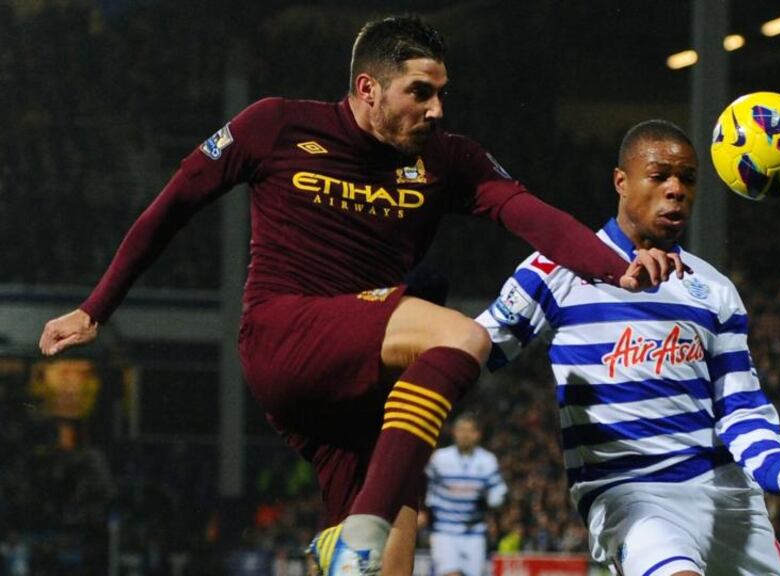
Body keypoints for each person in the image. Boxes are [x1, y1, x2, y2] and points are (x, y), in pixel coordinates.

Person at [36, 16, 684, 576]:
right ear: (369, 88)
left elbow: (527, 212)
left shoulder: (448, 159)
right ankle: (360, 527)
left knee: (390, 557)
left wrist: (613, 265)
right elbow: (172, 205)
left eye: (442, 94)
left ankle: (347, 536)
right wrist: (97, 307)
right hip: (285, 333)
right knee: (464, 335)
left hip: (368, 370)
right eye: (420, 93)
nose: (436, 110)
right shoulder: (276, 125)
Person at [476, 120, 780, 576]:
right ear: (621, 181)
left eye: (687, 178)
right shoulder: (557, 269)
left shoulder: (714, 289)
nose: (676, 190)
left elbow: (739, 406)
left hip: (728, 495)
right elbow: (479, 350)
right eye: (660, 176)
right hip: (629, 492)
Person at [424, 413, 506, 576]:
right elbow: (422, 485)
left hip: (474, 533)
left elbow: (498, 491)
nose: (465, 435)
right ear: (454, 432)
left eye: (469, 431)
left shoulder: (487, 461)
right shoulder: (440, 459)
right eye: (461, 430)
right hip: (444, 530)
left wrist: (494, 500)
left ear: (477, 434)